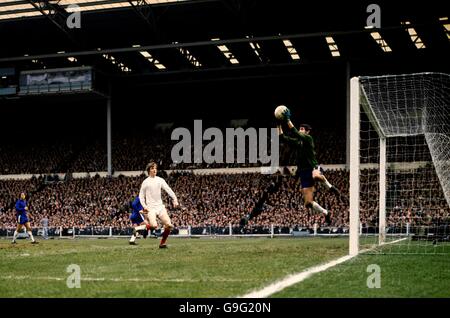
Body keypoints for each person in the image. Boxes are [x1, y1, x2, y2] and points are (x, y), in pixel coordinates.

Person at [276, 107, 343, 225]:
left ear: (307, 131)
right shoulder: (298, 143)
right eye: (300, 128)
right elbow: (282, 138)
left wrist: (287, 120)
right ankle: (326, 213)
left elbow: (295, 132)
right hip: (303, 172)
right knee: (308, 203)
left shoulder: (308, 139)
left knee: (316, 176)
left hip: (313, 167)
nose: (300, 130)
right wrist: (278, 125)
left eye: (302, 129)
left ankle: (332, 188)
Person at [139, 161, 179, 248]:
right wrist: (145, 207)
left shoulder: (160, 180)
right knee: (154, 225)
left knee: (169, 225)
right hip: (150, 208)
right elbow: (141, 196)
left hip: (160, 207)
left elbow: (168, 189)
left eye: (155, 168)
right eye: (153, 168)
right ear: (149, 170)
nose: (155, 170)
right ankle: (147, 227)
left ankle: (162, 243)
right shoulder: (145, 182)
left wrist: (175, 199)